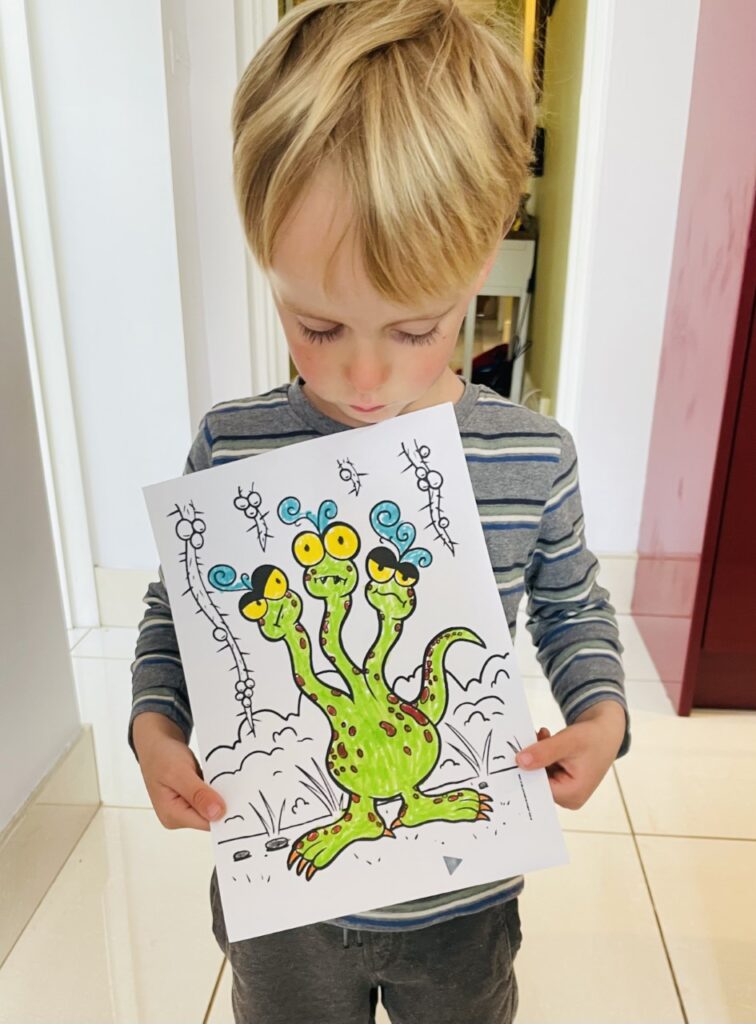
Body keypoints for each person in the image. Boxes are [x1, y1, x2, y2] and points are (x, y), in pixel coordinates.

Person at [129, 2, 631, 1021]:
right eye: (316, 323)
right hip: (287, 914)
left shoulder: (532, 457)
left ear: (484, 256)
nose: (365, 376)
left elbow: (573, 607)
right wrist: (154, 717)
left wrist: (603, 715)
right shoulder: (235, 448)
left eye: (415, 326)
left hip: (462, 907)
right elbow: (175, 612)